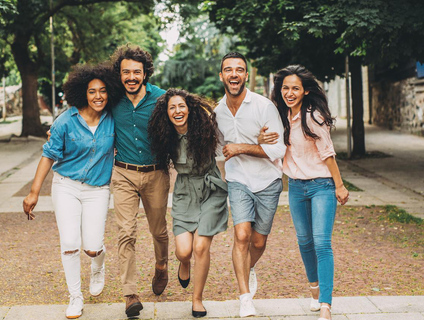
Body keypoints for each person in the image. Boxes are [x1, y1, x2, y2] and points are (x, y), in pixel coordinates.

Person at [23, 63, 121, 319]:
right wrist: (34, 192)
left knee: (91, 247)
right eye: (92, 91)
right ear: (82, 93)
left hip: (98, 190)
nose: (98, 96)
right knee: (69, 243)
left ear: (109, 92)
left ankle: (98, 264)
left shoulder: (114, 118)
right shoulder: (66, 120)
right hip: (66, 186)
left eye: (102, 90)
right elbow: (48, 155)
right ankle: (75, 297)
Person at [258, 65, 349, 320]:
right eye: (285, 88)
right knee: (304, 241)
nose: (289, 92)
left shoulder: (313, 116)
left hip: (322, 185)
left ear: (305, 91)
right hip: (296, 187)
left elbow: (328, 154)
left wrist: (339, 186)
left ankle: (326, 305)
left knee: (321, 243)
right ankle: (314, 288)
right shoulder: (279, 116)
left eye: (295, 88)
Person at [214, 52, 287, 317]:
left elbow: (279, 149)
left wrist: (245, 146)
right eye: (228, 70)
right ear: (221, 75)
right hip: (238, 180)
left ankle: (250, 267)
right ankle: (245, 297)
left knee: (258, 241)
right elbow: (216, 148)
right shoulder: (217, 112)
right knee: (242, 235)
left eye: (239, 70)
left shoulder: (263, 106)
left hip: (268, 181)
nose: (234, 74)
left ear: (246, 75)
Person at [148, 89, 228, 318]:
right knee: (184, 252)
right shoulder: (164, 135)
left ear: (189, 108)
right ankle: (184, 264)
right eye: (172, 107)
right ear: (166, 113)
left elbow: (232, 131)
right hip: (184, 193)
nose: (177, 111)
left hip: (211, 189)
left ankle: (197, 300)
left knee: (201, 247)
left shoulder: (205, 126)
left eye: (181, 106)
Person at [109, 44, 170, 318]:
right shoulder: (113, 99)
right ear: (119, 74)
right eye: (126, 72)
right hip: (123, 173)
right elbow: (86, 106)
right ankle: (130, 294)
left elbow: (185, 120)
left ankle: (161, 265)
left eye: (136, 72)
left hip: (156, 173)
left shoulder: (161, 98)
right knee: (126, 232)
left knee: (158, 231)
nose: (131, 77)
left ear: (145, 73)